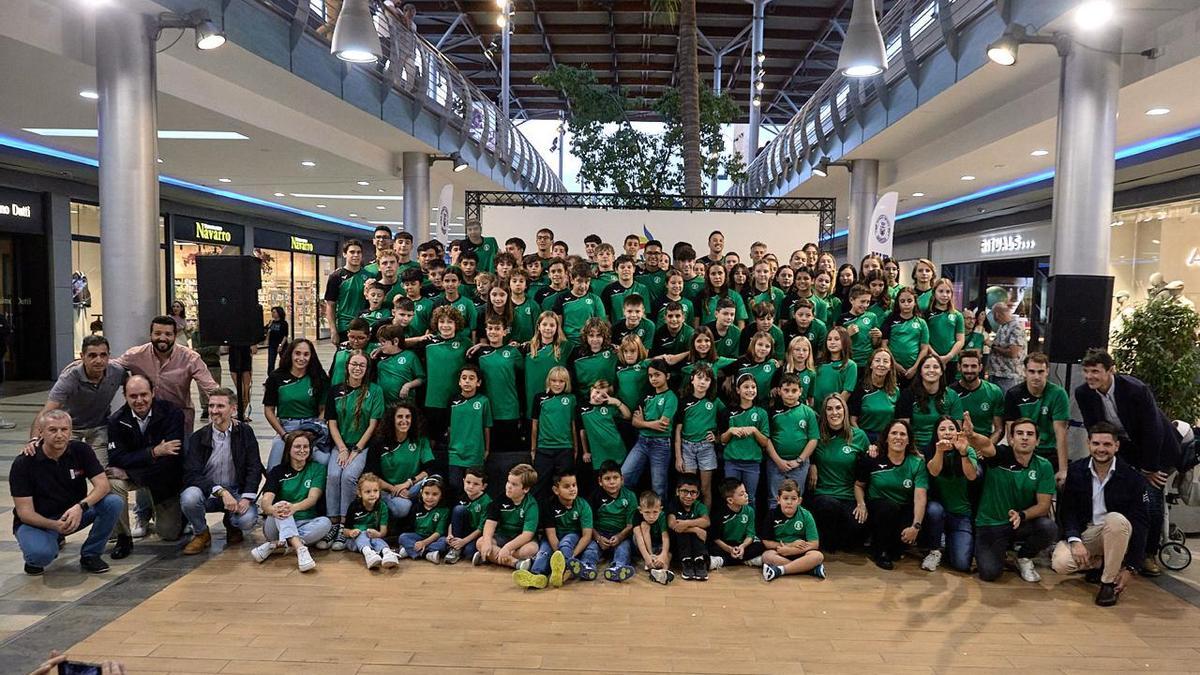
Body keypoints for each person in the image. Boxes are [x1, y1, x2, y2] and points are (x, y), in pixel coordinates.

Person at [1076, 348, 1178, 576]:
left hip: (1158, 450)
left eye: (1095, 371)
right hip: (1123, 449)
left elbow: (1153, 430)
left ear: (1110, 370)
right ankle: (1118, 551)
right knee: (1117, 495)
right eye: (1086, 371)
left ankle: (1148, 554)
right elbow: (1094, 428)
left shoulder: (1136, 389)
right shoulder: (1083, 393)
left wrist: (1149, 469)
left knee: (1150, 497)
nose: (1090, 376)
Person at [11, 409, 122, 575]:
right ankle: (39, 551)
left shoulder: (81, 450)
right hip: (37, 521)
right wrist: (55, 526)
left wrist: (80, 507)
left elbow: (103, 486)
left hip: (72, 514)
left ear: (70, 432)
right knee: (40, 556)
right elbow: (25, 513)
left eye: (64, 429)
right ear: (41, 432)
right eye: (52, 430)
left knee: (113, 502)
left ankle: (91, 554)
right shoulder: (24, 462)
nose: (59, 435)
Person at [1052, 422, 1149, 606]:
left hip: (1118, 531)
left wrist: (1132, 567)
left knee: (1115, 520)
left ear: (1116, 446)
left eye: (1107, 444)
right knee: (1061, 564)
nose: (1101, 449)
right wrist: (1075, 540)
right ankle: (1103, 563)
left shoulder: (1133, 478)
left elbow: (1141, 523)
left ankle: (1107, 584)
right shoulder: (1076, 471)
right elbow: (1068, 511)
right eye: (1096, 443)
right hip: (1090, 532)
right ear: (1088, 444)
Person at [106, 375, 186, 558]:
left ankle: (157, 510)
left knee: (169, 533)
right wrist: (154, 452)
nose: (139, 400)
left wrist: (131, 472)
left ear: (153, 393)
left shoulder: (172, 413)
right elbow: (117, 458)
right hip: (141, 472)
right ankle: (123, 537)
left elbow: (171, 460)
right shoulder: (116, 420)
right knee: (113, 482)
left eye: (144, 394)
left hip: (163, 478)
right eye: (133, 396)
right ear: (125, 396)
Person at [971, 417, 1057, 583]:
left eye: (1030, 434)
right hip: (991, 524)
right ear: (1011, 439)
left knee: (1048, 528)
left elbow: (1044, 505)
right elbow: (986, 445)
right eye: (1019, 433)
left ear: (1037, 441)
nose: (1024, 437)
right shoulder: (999, 455)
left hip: (1020, 523)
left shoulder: (1044, 466)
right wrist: (971, 434)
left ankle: (1023, 556)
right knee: (989, 574)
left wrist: (1021, 515)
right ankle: (1000, 549)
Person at [179, 387, 262, 555]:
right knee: (189, 498)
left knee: (247, 520)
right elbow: (191, 474)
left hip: (236, 490)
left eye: (220, 406)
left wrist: (247, 498)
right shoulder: (198, 437)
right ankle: (202, 533)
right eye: (211, 406)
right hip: (209, 492)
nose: (214, 411)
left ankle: (232, 524)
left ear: (233, 409)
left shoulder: (245, 432)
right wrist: (221, 492)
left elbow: (254, 467)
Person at [110, 315, 218, 433]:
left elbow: (211, 388)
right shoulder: (135, 355)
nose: (162, 338)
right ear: (150, 335)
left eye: (168, 334)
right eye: (157, 333)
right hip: (145, 421)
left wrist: (222, 408)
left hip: (180, 419)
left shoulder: (190, 358)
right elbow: (112, 367)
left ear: (175, 336)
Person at [323, 352, 384, 549]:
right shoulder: (335, 390)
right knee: (333, 475)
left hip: (362, 446)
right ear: (347, 366)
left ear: (367, 369)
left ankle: (344, 526)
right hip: (340, 444)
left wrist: (356, 450)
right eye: (354, 364)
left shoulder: (375, 391)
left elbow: (373, 425)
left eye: (362, 365)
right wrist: (342, 448)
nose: (357, 368)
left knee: (349, 476)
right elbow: (332, 423)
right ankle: (332, 524)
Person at [37, 335, 127, 462]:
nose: (99, 360)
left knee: (101, 468)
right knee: (65, 466)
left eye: (103, 355)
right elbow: (47, 411)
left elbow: (135, 387)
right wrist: (34, 440)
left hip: (99, 426)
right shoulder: (69, 377)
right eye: (92, 355)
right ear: (82, 356)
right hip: (71, 428)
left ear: (109, 356)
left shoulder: (117, 372)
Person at [854, 419, 928, 570]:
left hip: (902, 509)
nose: (898, 437)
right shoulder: (873, 458)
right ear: (886, 438)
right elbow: (858, 485)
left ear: (908, 440)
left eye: (903, 434)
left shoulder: (917, 462)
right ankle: (879, 551)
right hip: (878, 509)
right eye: (894, 433)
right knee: (888, 508)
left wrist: (915, 526)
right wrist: (861, 504)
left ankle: (893, 547)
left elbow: (920, 497)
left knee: (897, 552)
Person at [251, 430, 329, 571]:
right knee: (281, 505)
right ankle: (300, 549)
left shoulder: (317, 469)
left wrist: (294, 507)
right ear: (289, 449)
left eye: (306, 447)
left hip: (305, 522)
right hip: (277, 524)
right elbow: (265, 502)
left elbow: (312, 499)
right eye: (297, 446)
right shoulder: (277, 471)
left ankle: (275, 545)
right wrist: (274, 510)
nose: (302, 450)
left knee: (326, 523)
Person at [807, 394, 870, 553]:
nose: (834, 412)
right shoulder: (817, 435)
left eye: (838, 408)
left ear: (845, 410)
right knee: (829, 506)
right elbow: (806, 451)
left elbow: (868, 464)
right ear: (824, 413)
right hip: (824, 494)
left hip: (849, 495)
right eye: (829, 409)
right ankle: (828, 541)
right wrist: (812, 463)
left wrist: (862, 502)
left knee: (857, 528)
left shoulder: (859, 436)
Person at [519, 470, 598, 588]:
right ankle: (537, 576)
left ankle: (562, 569)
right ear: (556, 490)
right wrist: (558, 555)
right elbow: (551, 535)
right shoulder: (549, 505)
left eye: (574, 485)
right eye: (567, 486)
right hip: (553, 539)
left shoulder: (583, 505)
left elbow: (586, 536)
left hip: (573, 537)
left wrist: (571, 556)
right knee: (543, 553)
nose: (572, 489)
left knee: (566, 542)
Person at [921, 416, 979, 572]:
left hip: (961, 515)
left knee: (961, 564)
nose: (947, 432)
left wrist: (963, 453)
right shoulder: (929, 450)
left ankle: (949, 543)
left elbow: (972, 476)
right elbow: (934, 471)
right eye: (942, 429)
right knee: (934, 510)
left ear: (958, 432)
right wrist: (940, 452)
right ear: (936, 433)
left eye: (951, 429)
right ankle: (935, 549)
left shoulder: (968, 450)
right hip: (937, 511)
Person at [1003, 352, 1069, 483]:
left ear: (1047, 371)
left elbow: (1061, 433)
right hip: (1022, 451)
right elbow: (1011, 434)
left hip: (1049, 452)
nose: (1036, 376)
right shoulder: (1013, 394)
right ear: (1025, 372)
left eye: (1040, 372)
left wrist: (1063, 470)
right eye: (1032, 371)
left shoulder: (1058, 394)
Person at [264, 339, 328, 471]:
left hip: (311, 427)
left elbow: (323, 409)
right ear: (290, 354)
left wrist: (312, 432)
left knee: (324, 460)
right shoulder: (276, 377)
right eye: (297, 353)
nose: (301, 358)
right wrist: (284, 435)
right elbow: (269, 410)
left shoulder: (318, 376)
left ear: (311, 356)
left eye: (306, 354)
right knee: (273, 466)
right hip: (286, 428)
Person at [622, 359, 677, 498]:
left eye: (657, 375)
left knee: (658, 487)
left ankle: (660, 511)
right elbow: (634, 422)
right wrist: (646, 423)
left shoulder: (671, 397)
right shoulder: (646, 396)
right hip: (642, 442)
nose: (653, 378)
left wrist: (643, 423)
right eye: (650, 375)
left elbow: (662, 425)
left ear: (667, 376)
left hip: (660, 444)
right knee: (624, 475)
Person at [766, 373, 819, 509]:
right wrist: (778, 461)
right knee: (775, 499)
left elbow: (813, 439)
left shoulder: (808, 412)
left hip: (800, 465)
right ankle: (775, 522)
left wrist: (799, 460)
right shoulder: (772, 412)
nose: (790, 394)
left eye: (794, 390)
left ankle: (794, 523)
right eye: (786, 390)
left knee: (795, 499)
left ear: (800, 391)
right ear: (779, 391)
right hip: (776, 463)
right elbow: (766, 439)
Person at [674, 364, 722, 509]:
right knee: (688, 488)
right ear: (692, 379)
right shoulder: (683, 401)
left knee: (705, 488)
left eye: (707, 379)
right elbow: (677, 431)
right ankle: (687, 516)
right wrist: (678, 457)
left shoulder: (715, 401)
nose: (702, 382)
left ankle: (705, 518)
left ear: (711, 383)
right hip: (687, 447)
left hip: (706, 447)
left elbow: (728, 419)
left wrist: (717, 437)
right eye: (699, 378)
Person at [720, 374, 773, 507]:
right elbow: (722, 440)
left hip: (752, 464)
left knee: (750, 498)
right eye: (746, 387)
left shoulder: (761, 413)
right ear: (738, 390)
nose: (750, 390)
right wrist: (730, 431)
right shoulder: (728, 412)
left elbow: (765, 442)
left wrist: (754, 430)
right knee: (731, 498)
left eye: (753, 387)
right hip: (732, 462)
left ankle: (749, 521)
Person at [761, 479, 826, 582]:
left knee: (818, 556)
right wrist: (789, 546)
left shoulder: (806, 515)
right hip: (781, 551)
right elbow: (766, 542)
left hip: (801, 552)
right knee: (767, 556)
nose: (789, 502)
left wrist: (792, 550)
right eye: (785, 498)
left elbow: (814, 544)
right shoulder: (771, 515)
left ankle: (780, 570)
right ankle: (809, 569)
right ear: (778, 499)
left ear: (799, 501)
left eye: (793, 499)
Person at [477, 463, 540, 569]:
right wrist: (487, 542)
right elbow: (490, 523)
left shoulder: (531, 505)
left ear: (525, 489)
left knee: (530, 550)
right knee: (480, 542)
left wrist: (507, 548)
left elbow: (527, 535)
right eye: (508, 482)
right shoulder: (500, 498)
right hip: (503, 536)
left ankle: (490, 557)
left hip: (520, 541)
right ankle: (515, 563)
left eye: (514, 484)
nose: (509, 486)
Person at [895, 353, 964, 449]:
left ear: (941, 371)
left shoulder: (952, 395)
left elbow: (957, 430)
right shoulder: (908, 395)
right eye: (927, 367)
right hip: (916, 449)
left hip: (945, 447)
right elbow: (903, 430)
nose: (931, 370)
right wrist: (915, 452)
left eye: (935, 367)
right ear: (920, 372)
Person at [530, 366, 576, 502]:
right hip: (544, 448)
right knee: (539, 487)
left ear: (566, 382)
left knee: (565, 486)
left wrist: (575, 449)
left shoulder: (571, 398)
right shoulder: (539, 398)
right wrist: (533, 449)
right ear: (548, 381)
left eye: (561, 381)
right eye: (554, 380)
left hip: (565, 449)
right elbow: (534, 425)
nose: (557, 384)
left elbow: (573, 426)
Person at [448, 364, 493, 493]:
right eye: (464, 378)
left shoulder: (483, 401)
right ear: (459, 382)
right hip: (455, 453)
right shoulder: (452, 401)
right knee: (455, 486)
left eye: (471, 378)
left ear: (478, 383)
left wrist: (487, 449)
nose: (467, 381)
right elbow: (449, 427)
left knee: (473, 489)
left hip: (475, 453)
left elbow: (487, 427)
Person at [591, 460, 638, 582]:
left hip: (621, 535)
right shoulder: (595, 496)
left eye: (615, 478)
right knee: (591, 548)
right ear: (600, 481)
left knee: (624, 549)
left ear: (622, 479)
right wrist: (598, 538)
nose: (612, 482)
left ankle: (618, 568)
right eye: (607, 479)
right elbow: (588, 524)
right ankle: (587, 566)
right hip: (600, 535)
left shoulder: (630, 496)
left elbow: (630, 525)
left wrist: (620, 537)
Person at [343, 472, 401, 570]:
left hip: (373, 538)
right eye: (368, 492)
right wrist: (351, 532)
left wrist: (378, 534)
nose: (372, 494)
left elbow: (383, 532)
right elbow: (345, 531)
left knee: (376, 540)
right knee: (362, 534)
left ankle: (387, 553)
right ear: (359, 493)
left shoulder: (382, 506)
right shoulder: (354, 506)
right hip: (355, 540)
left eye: (375, 491)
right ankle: (368, 553)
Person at [949, 349, 1005, 445]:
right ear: (959, 367)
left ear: (980, 368)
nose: (969, 370)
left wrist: (986, 447)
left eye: (973, 366)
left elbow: (999, 429)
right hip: (959, 444)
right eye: (965, 366)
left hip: (985, 443)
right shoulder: (950, 393)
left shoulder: (994, 391)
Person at [709, 478, 764, 570]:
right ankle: (747, 560)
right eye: (741, 494)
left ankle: (723, 561)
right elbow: (716, 538)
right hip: (726, 544)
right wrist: (730, 549)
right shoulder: (719, 513)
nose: (746, 495)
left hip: (742, 543)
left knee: (760, 545)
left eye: (745, 492)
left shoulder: (750, 510)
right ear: (730, 500)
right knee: (711, 548)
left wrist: (743, 546)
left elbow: (750, 534)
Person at [849, 348, 899, 444]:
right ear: (871, 365)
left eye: (885, 361)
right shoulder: (860, 389)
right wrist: (863, 440)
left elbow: (897, 421)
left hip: (887, 438)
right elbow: (852, 420)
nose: (881, 364)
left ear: (890, 367)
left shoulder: (895, 391)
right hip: (864, 436)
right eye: (877, 360)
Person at [324, 239, 370, 344]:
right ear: (345, 254)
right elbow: (330, 305)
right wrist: (333, 330)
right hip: (344, 327)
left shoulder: (369, 276)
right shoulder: (336, 276)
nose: (356, 255)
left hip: (365, 325)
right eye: (352, 252)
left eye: (359, 252)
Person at [396, 476, 450, 563]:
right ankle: (427, 554)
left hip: (433, 538)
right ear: (421, 493)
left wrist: (424, 543)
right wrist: (420, 542)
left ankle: (411, 551)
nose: (430, 497)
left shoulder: (444, 511)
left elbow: (438, 533)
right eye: (427, 493)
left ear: (441, 495)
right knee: (403, 537)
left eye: (435, 494)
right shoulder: (416, 507)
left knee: (444, 542)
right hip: (418, 537)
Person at [667, 474, 711, 580]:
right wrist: (695, 529)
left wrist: (686, 523)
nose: (688, 496)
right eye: (685, 491)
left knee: (694, 531)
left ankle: (699, 561)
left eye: (693, 492)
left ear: (698, 494)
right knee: (686, 532)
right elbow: (672, 524)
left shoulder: (699, 506)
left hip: (696, 546)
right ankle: (686, 562)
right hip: (677, 547)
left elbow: (706, 521)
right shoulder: (673, 504)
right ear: (677, 491)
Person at [445, 467, 492, 564]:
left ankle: (472, 551)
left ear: (483, 486)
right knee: (459, 509)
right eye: (468, 482)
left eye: (476, 484)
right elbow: (452, 521)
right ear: (463, 481)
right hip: (461, 532)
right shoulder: (461, 496)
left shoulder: (487, 502)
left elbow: (480, 529)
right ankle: (455, 549)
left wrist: (464, 541)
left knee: (468, 552)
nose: (470, 486)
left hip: (476, 535)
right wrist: (450, 535)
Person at [631, 491, 675, 585]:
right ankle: (651, 560)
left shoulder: (662, 515)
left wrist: (663, 555)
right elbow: (638, 537)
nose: (651, 516)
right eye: (647, 512)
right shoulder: (636, 515)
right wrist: (647, 556)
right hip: (644, 547)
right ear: (640, 510)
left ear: (660, 509)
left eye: (655, 512)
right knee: (644, 525)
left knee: (668, 554)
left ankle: (663, 572)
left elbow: (665, 537)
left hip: (660, 545)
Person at [987, 301, 1026, 393]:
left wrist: (992, 346)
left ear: (997, 315)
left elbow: (1013, 353)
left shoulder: (1016, 327)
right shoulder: (1003, 326)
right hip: (997, 374)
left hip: (1008, 376)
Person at [265, 306, 289, 374]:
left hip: (281, 344)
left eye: (274, 312)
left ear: (279, 313)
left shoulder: (284, 323)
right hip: (272, 345)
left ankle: (285, 374)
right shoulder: (271, 322)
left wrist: (280, 345)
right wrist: (267, 339)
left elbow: (285, 336)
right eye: (272, 312)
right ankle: (270, 376)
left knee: (284, 361)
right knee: (271, 362)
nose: (272, 314)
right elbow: (268, 331)